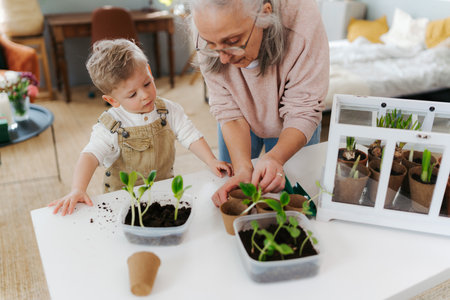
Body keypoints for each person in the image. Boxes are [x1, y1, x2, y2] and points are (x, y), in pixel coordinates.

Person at [49, 39, 232, 216]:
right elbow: (90, 155)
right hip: (123, 200)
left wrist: (211, 160)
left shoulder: (168, 110)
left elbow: (190, 135)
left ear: (149, 72)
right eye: (132, 94)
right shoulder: (111, 126)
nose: (145, 95)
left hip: (163, 194)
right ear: (113, 101)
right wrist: (78, 189)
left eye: (147, 83)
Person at [190, 0, 330, 206]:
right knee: (237, 185)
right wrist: (243, 167)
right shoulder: (206, 26)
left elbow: (303, 110)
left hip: (293, 123)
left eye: (233, 41)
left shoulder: (303, 19)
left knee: (294, 196)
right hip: (238, 121)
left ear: (264, 14)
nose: (223, 60)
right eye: (212, 46)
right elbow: (227, 109)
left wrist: (275, 158)